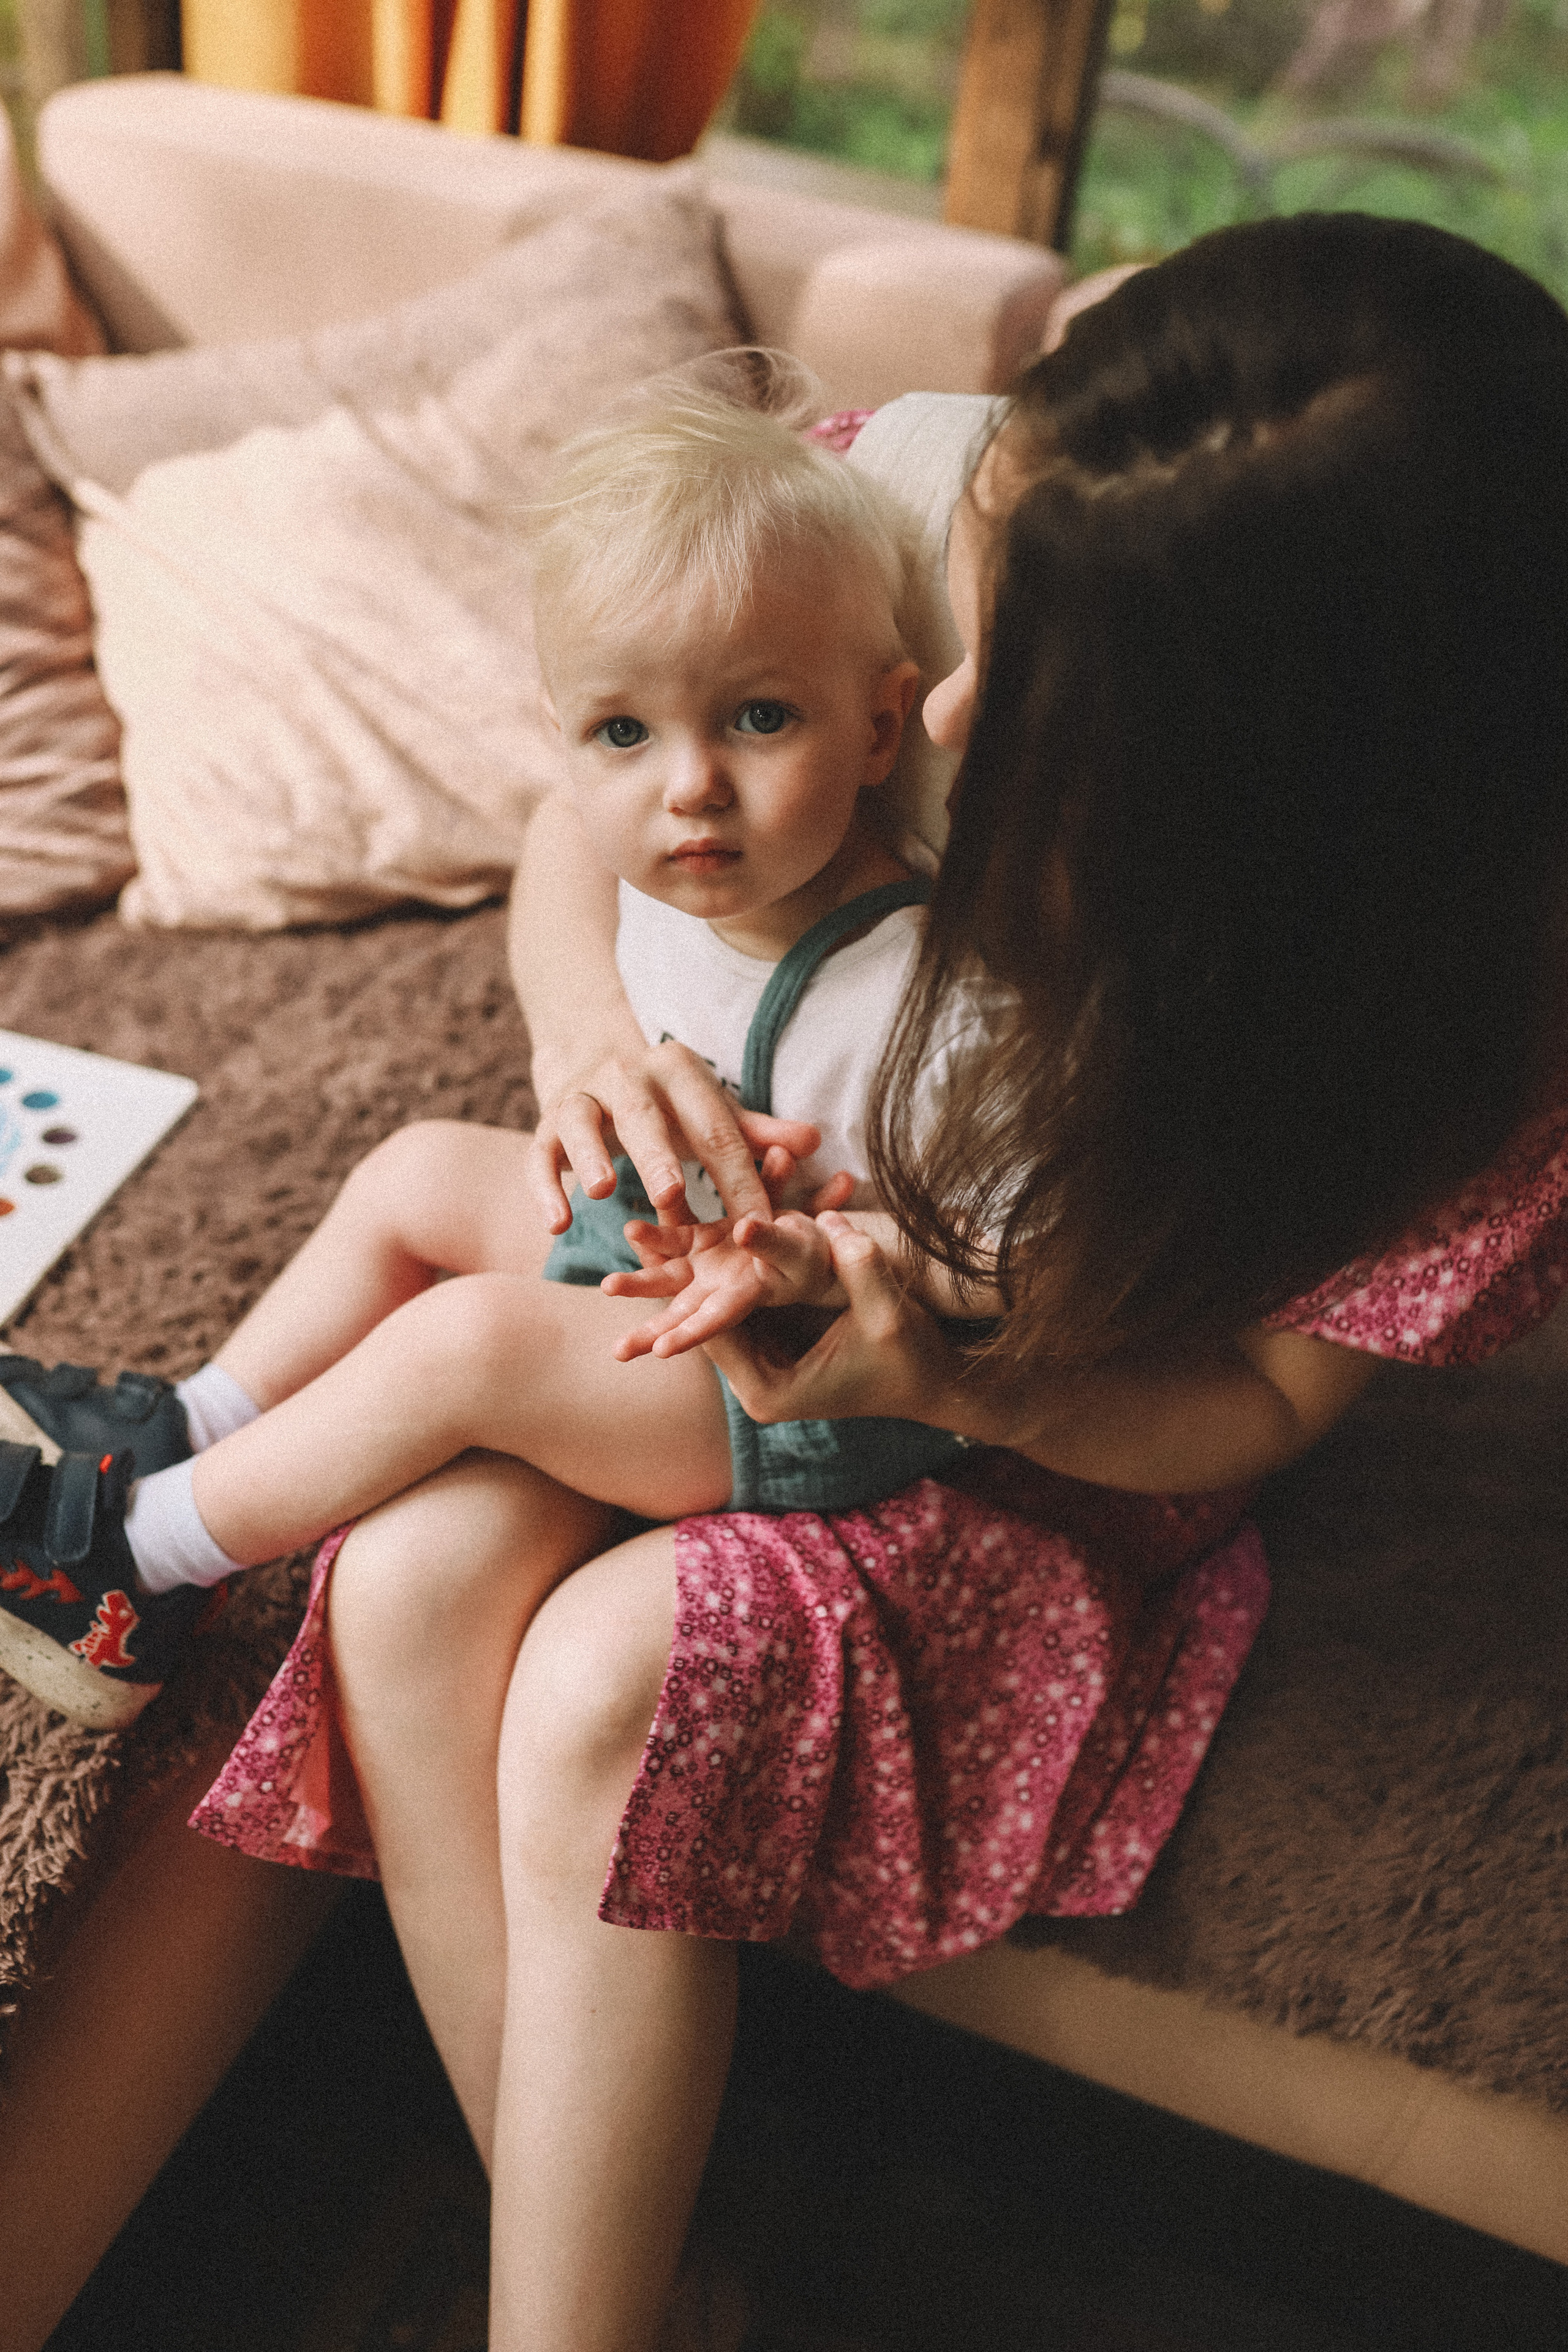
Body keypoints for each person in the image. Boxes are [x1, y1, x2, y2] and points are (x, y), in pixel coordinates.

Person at [76, 212, 1568, 2350]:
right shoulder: (940, 496)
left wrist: (962, 1379)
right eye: (970, 613)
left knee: (603, 1675)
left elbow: (1238, 1408)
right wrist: (597, 1044)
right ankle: (617, 2297)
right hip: (752, 1275)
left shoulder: (1462, 1052)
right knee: (400, 1584)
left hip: (1046, 1409)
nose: (940, 716)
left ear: (1274, 817)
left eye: (1028, 697)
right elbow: (571, 806)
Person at [0, 387, 1018, 1733]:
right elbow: (563, 899)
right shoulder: (669, 864)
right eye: (622, 734)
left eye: (760, 719)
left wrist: (835, 1256)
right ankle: (187, 1419)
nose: (688, 785)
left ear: (882, 727)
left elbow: (1012, 1261)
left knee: (466, 1343)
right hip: (641, 1257)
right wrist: (582, 1053)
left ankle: (137, 1565)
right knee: (415, 1170)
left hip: (785, 1390)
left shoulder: (919, 996)